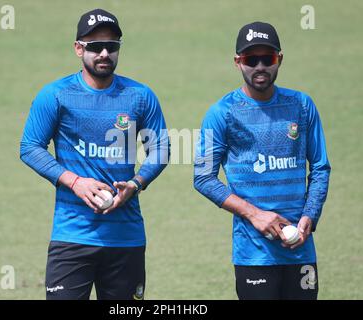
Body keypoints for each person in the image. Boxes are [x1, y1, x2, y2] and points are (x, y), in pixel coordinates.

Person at [20, 8, 169, 300]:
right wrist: (75, 181)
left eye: (111, 46)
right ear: (78, 48)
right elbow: (30, 147)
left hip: (125, 238)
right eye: (95, 46)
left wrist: (136, 184)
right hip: (71, 237)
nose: (104, 53)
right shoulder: (56, 95)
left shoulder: (140, 96)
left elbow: (161, 149)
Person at [194, 21, 330, 300]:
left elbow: (319, 168)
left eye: (266, 59)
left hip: (300, 251)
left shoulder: (302, 106)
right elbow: (203, 177)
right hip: (253, 254)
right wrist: (255, 214)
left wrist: (309, 216)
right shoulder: (222, 113)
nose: (259, 66)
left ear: (279, 59)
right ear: (237, 62)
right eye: (250, 59)